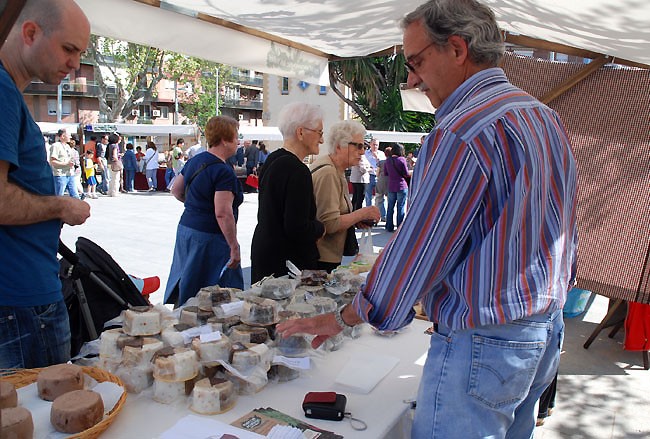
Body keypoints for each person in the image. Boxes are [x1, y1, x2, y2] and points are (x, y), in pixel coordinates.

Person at [277, 1, 578, 438]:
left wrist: (347, 316)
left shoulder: (462, 128)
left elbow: (419, 250)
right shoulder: (542, 116)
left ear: (457, 49)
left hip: (486, 337)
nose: (412, 79)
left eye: (416, 62)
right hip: (543, 325)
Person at [0, 0, 91, 369]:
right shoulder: (3, 91)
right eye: (69, 48)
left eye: (80, 53)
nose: (74, 63)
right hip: (21, 303)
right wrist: (61, 206)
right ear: (30, 33)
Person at [164, 116, 244, 307]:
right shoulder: (223, 171)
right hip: (209, 237)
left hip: (187, 229)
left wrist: (197, 206)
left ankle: (184, 323)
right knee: (214, 295)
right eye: (235, 137)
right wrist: (234, 246)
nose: (238, 142)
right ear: (224, 140)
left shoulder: (196, 160)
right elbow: (223, 212)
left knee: (189, 282)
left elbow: (176, 190)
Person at [250, 102, 326, 283]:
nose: (322, 140)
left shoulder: (273, 159)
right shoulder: (297, 170)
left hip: (266, 254)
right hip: (285, 264)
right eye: (319, 133)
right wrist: (320, 228)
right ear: (301, 132)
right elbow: (296, 227)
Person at [310, 120, 380, 272]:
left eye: (364, 146)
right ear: (339, 147)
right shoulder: (328, 172)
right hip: (320, 260)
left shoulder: (336, 170)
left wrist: (356, 219)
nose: (362, 151)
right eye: (359, 146)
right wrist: (363, 213)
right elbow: (329, 224)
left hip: (326, 257)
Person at [384, 143, 410, 232]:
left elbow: (385, 173)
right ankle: (399, 227)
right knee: (400, 207)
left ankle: (389, 226)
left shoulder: (387, 160)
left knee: (390, 207)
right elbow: (406, 174)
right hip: (401, 186)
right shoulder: (402, 160)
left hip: (391, 186)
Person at [49, 129, 79, 199]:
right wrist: (66, 164)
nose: (70, 137)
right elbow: (52, 162)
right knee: (59, 197)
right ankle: (57, 209)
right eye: (69, 135)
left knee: (75, 196)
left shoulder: (67, 146)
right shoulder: (56, 146)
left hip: (70, 174)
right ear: (62, 136)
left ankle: (75, 209)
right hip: (60, 175)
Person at [364, 137, 385, 211]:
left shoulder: (381, 154)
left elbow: (383, 165)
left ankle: (382, 214)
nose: (375, 146)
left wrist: (377, 158)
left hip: (379, 176)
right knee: (368, 196)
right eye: (374, 144)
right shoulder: (365, 153)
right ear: (370, 144)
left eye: (377, 145)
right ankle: (368, 212)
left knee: (380, 196)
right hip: (369, 175)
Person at [374, 146, 391, 223]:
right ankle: (388, 217)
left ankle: (379, 216)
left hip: (381, 181)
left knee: (379, 199)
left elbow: (377, 173)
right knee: (390, 201)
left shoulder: (381, 162)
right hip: (390, 182)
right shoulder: (393, 162)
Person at [106, 133, 122, 197]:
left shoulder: (109, 145)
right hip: (114, 163)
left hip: (109, 163)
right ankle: (114, 192)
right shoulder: (115, 146)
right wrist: (118, 159)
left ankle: (110, 191)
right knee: (116, 178)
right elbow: (115, 155)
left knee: (111, 178)